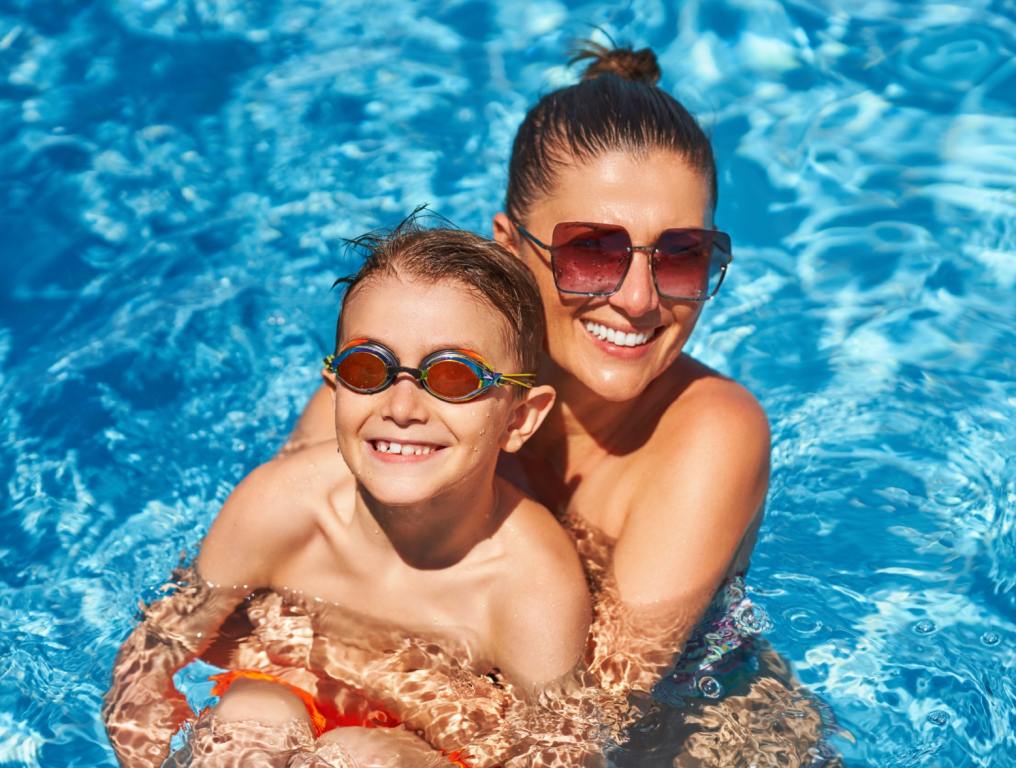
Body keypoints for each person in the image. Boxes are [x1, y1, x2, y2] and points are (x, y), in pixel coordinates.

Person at [288, 43, 769, 691]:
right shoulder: (408, 375)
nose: (638, 299)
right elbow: (269, 559)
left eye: (681, 255)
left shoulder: (711, 431)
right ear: (509, 246)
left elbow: (601, 712)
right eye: (593, 251)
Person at [104, 224, 592, 767]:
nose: (403, 408)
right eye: (370, 368)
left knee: (354, 755)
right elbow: (157, 650)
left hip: (425, 751)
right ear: (335, 388)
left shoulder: (531, 586)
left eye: (454, 377)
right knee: (248, 725)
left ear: (520, 418)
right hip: (281, 699)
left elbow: (558, 753)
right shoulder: (281, 505)